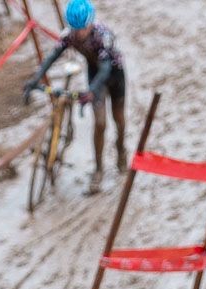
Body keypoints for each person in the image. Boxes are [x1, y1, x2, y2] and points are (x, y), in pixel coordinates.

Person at [22, 0, 127, 195]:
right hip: (95, 74)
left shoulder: (103, 36)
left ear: (90, 23)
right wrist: (34, 80)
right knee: (100, 123)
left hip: (114, 75)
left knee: (118, 119)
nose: (79, 34)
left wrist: (91, 90)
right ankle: (98, 170)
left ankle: (121, 151)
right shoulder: (69, 35)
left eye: (83, 29)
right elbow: (51, 57)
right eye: (75, 29)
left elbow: (106, 68)